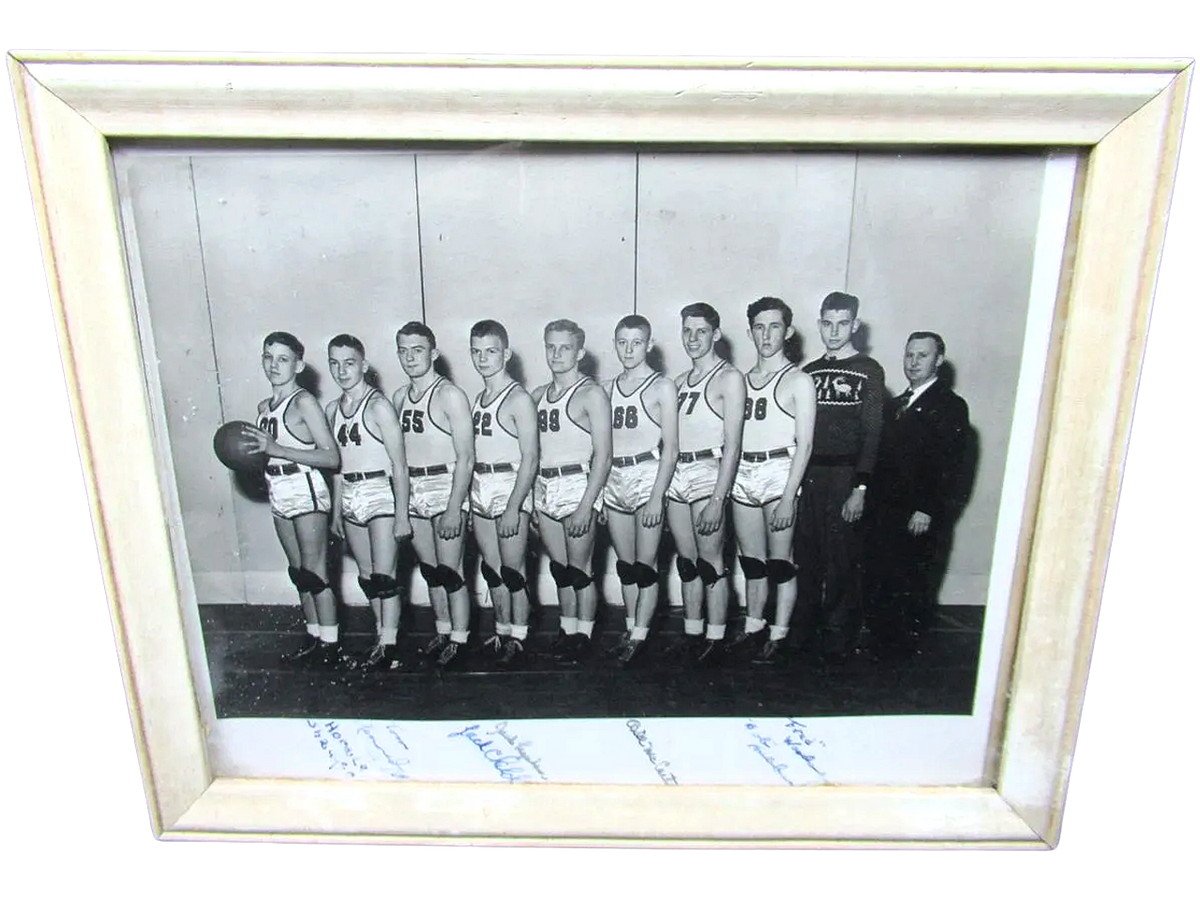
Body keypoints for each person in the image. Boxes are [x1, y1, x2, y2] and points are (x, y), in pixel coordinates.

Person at [863, 332, 971, 658]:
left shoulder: (950, 406)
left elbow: (949, 465)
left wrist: (927, 509)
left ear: (939, 360)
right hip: (885, 512)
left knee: (911, 581)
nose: (913, 362)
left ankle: (903, 653)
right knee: (882, 576)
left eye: (922, 356)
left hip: (917, 514)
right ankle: (883, 646)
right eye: (909, 355)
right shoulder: (895, 405)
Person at [244, 332, 346, 667]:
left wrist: (277, 449)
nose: (274, 365)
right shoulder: (263, 408)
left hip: (305, 487)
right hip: (279, 488)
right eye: (268, 357)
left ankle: (331, 647)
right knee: (298, 572)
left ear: (298, 365)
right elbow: (263, 456)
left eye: (283, 359)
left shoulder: (304, 403)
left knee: (316, 573)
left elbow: (331, 457)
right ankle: (314, 637)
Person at [797, 292, 886, 659]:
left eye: (843, 324)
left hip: (845, 474)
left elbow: (873, 432)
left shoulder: (869, 370)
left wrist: (860, 486)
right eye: (828, 323)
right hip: (810, 474)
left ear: (855, 325)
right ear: (819, 324)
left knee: (842, 557)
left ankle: (838, 638)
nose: (834, 331)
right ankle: (804, 634)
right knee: (807, 556)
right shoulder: (808, 372)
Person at [729, 298, 816, 665]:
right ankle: (753, 627)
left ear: (788, 331)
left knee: (781, 562)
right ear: (750, 332)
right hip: (744, 473)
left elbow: (806, 444)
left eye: (774, 327)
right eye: (759, 328)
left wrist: (787, 497)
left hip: (780, 472)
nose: (766, 335)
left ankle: (779, 634)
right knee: (752, 562)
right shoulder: (740, 381)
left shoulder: (799, 380)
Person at [665, 303, 746, 666]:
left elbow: (733, 444)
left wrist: (718, 497)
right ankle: (692, 632)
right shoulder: (680, 382)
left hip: (707, 472)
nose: (693, 338)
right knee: (687, 563)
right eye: (687, 331)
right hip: (677, 474)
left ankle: (715, 636)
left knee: (712, 562)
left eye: (701, 331)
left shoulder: (728, 377)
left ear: (716, 334)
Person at [325, 334, 412, 672]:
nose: (341, 370)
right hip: (349, 492)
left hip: (379, 492)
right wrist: (336, 512)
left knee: (385, 576)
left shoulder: (378, 406)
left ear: (363, 365)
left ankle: (390, 646)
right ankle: (382, 637)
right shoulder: (332, 409)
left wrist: (402, 514)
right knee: (367, 577)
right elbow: (335, 468)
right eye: (335, 363)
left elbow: (400, 465)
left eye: (349, 363)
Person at [392, 322, 476, 670]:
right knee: (431, 571)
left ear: (434, 353)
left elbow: (466, 456)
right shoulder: (398, 397)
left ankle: (460, 640)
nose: (410, 357)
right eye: (403, 350)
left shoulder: (449, 395)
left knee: (451, 571)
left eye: (418, 350)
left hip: (445, 486)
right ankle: (442, 631)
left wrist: (455, 506)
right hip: (414, 489)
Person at [532, 319, 612, 665]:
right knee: (560, 569)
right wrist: (533, 498)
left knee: (580, 570)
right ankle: (567, 631)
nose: (557, 354)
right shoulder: (536, 396)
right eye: (551, 346)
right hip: (545, 486)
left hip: (578, 484)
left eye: (565, 347)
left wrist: (587, 504)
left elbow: (604, 455)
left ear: (580, 352)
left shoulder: (591, 394)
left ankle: (585, 635)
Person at [600, 315, 678, 667]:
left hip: (647, 474)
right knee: (626, 566)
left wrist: (657, 497)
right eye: (622, 342)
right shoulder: (605, 388)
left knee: (646, 567)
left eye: (636, 343)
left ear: (649, 344)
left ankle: (641, 636)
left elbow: (672, 449)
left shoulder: (662, 387)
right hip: (615, 477)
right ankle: (631, 628)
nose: (628, 350)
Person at [467, 320, 539, 669]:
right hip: (481, 486)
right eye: (477, 352)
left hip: (510, 486)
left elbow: (531, 457)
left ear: (506, 354)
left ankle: (520, 637)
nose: (483, 359)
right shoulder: (478, 398)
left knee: (513, 570)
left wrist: (514, 506)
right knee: (493, 570)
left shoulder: (519, 398)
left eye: (491, 351)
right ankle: (501, 629)